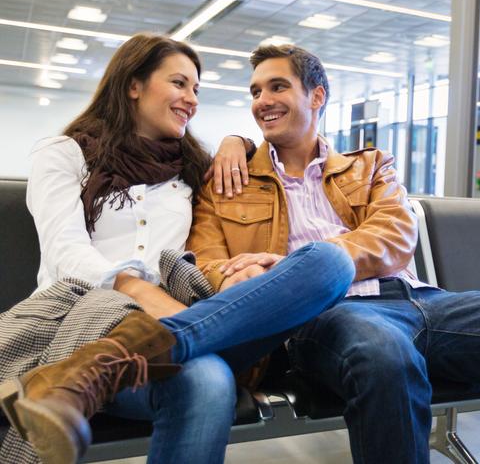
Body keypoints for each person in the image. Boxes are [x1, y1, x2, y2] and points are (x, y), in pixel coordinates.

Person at [190, 44, 480, 464]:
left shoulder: (370, 166)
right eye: (255, 91)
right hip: (326, 313)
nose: (262, 100)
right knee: (384, 360)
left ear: (317, 95)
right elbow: (206, 264)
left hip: (423, 301)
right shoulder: (230, 180)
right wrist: (257, 281)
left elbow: (396, 236)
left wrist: (302, 263)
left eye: (277, 87)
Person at [0, 33, 355, 464]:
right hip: (83, 322)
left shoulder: (195, 171)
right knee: (207, 380)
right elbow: (64, 250)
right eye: (179, 83)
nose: (191, 99)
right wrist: (139, 292)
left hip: (186, 318)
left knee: (329, 263)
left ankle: (87, 375)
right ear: (134, 84)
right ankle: (88, 368)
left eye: (196, 90)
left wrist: (235, 144)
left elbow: (209, 252)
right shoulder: (65, 154)